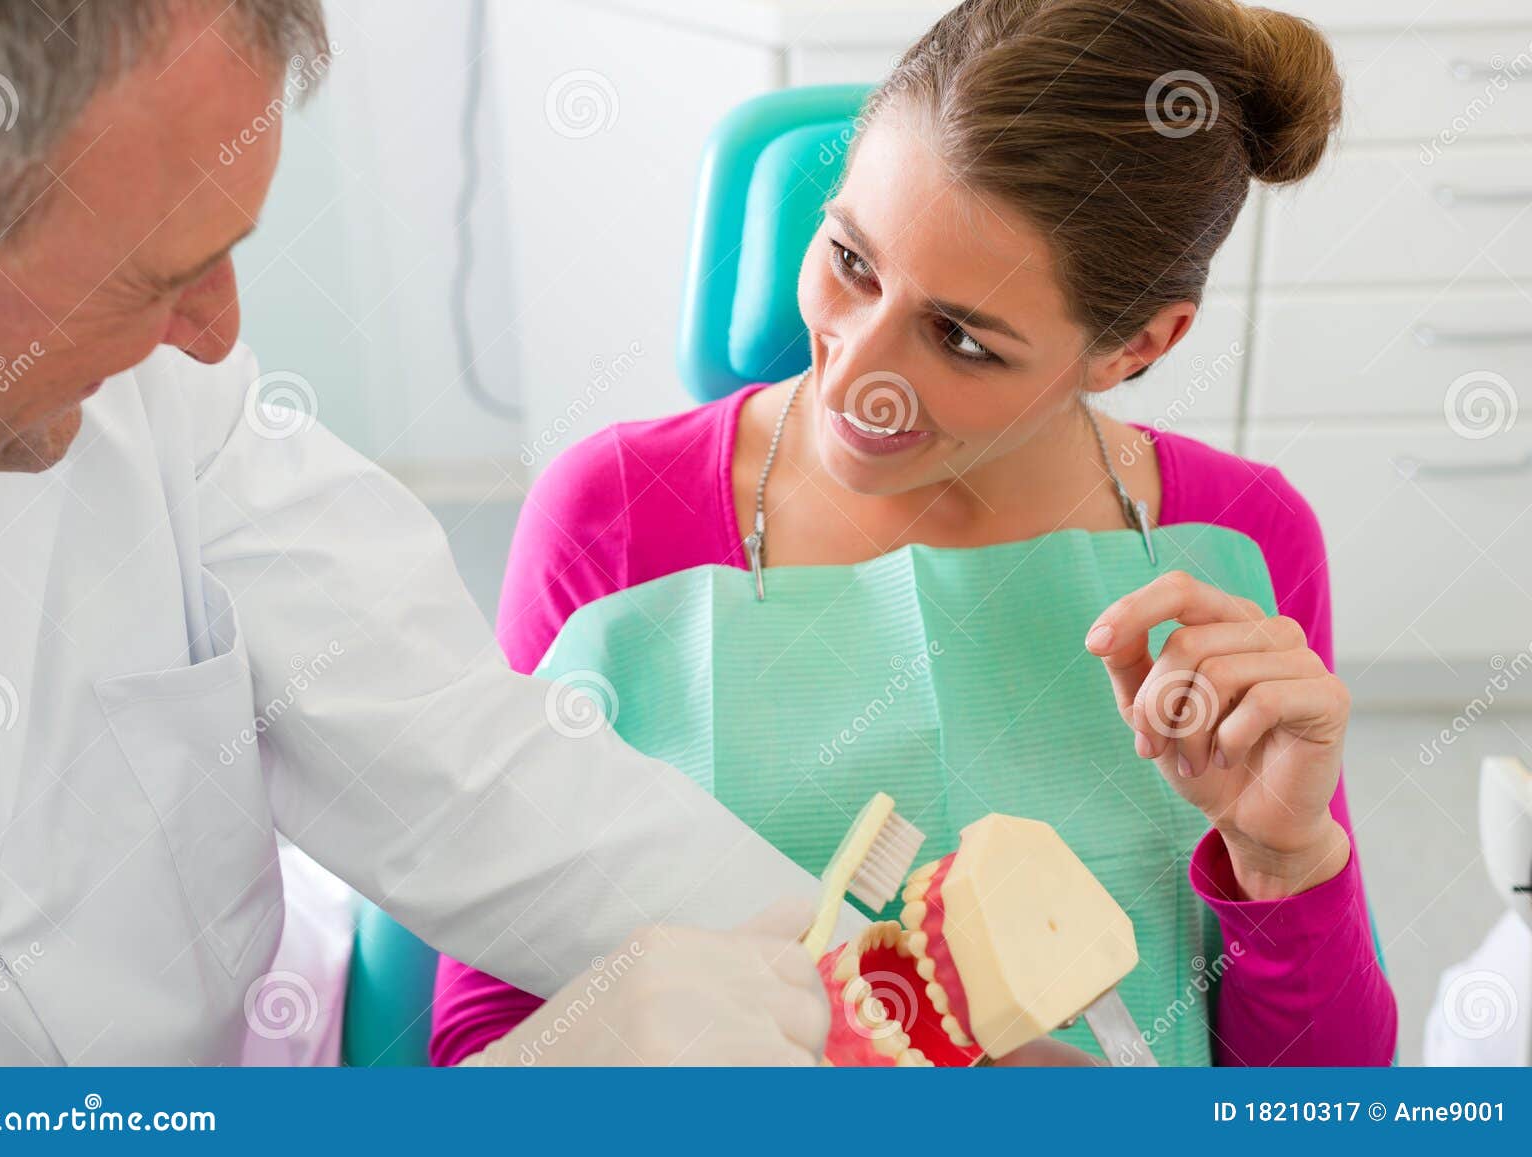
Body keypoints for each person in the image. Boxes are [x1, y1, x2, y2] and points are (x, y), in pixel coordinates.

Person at [432, 0, 1399, 1067]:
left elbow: (1325, 1101)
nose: (855, 377)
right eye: (850, 260)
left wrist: (1282, 857)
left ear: (1135, 345)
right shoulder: (613, 517)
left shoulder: (1237, 542)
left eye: (960, 339)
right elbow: (484, 1043)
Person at [0, 0, 838, 1066]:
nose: (217, 334)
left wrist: (880, 995)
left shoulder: (162, 392)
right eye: (151, 278)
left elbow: (459, 751)